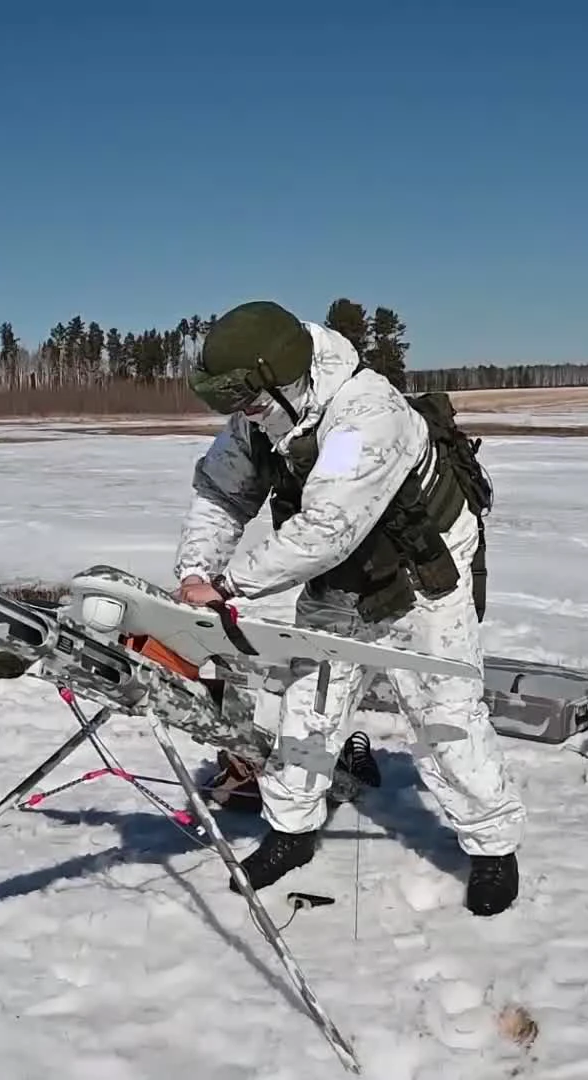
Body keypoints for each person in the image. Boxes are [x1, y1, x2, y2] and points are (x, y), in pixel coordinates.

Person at [171, 299, 526, 917]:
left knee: (445, 718)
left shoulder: (368, 413)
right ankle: (291, 831)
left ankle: (493, 848)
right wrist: (196, 571)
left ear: (281, 379)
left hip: (421, 580)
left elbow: (327, 527)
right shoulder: (263, 411)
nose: (244, 417)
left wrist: (229, 586)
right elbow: (220, 493)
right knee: (306, 710)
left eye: (249, 403)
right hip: (339, 583)